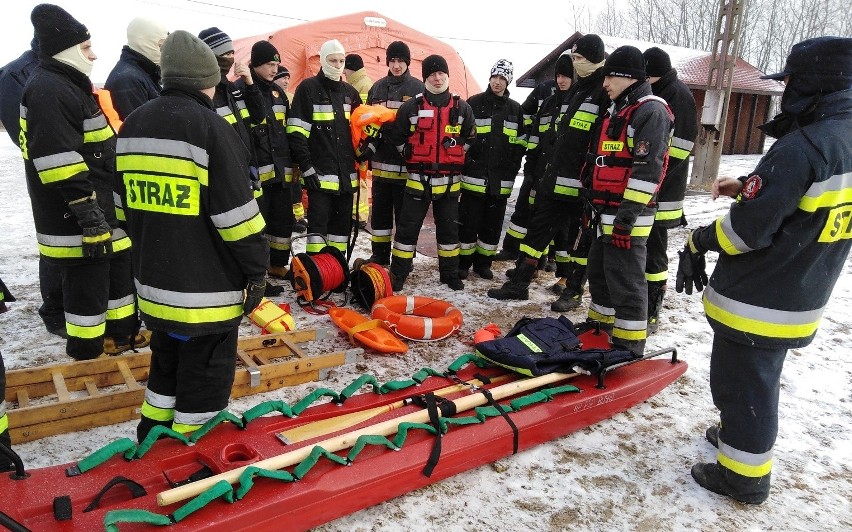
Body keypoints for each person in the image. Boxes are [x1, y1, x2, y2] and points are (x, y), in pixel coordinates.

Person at [678, 36, 852, 505]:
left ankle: (743, 477)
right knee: (757, 377)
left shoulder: (806, 145)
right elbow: (803, 204)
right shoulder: (843, 138)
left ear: (816, 83)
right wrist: (750, 186)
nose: (786, 91)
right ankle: (740, 437)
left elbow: (747, 233)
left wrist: (699, 240)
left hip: (760, 295)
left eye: (792, 81)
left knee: (743, 383)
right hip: (803, 287)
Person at [116, 30, 269, 441]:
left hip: (154, 288)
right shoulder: (211, 129)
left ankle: (151, 434)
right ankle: (191, 459)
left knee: (165, 367)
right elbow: (239, 221)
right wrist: (257, 272)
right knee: (202, 383)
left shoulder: (133, 124)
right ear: (209, 78)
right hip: (206, 296)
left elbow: (120, 208)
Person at [22, 3, 146, 360]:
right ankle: (87, 351)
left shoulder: (69, 85)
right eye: (86, 48)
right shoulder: (49, 89)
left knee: (118, 276)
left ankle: (121, 335)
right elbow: (60, 164)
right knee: (87, 290)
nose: (94, 55)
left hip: (104, 208)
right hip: (77, 219)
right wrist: (90, 219)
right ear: (65, 50)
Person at [489, 35, 610, 308]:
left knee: (578, 244)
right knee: (536, 235)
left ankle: (572, 292)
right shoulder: (579, 91)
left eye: (579, 60)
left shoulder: (603, 91)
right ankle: (519, 284)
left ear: (593, 60)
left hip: (581, 187)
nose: (575, 65)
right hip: (554, 181)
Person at [583, 45, 673, 356]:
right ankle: (599, 331)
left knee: (626, 281)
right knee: (600, 275)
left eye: (609, 76)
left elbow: (647, 171)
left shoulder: (651, 111)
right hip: (604, 213)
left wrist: (625, 219)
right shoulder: (618, 109)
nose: (604, 83)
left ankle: (628, 346)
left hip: (627, 219)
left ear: (627, 77)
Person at [384, 54, 475, 291]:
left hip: (449, 183)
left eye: (441, 73)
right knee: (407, 229)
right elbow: (396, 137)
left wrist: (456, 154)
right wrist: (409, 153)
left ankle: (450, 274)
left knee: (449, 231)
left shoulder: (462, 108)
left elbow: (470, 138)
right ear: (425, 77)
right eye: (432, 74)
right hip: (418, 181)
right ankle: (399, 273)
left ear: (447, 75)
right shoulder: (411, 107)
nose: (437, 78)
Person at [0, 36, 66, 337]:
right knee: (55, 242)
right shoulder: (15, 75)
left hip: (73, 168)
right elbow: (24, 134)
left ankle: (71, 304)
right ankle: (54, 310)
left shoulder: (60, 69)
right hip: (45, 174)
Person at [287, 39, 362, 255]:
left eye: (341, 60)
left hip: (346, 179)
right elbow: (296, 132)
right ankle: (317, 273)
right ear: (322, 60)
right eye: (332, 60)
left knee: (341, 232)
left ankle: (336, 273)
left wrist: (367, 149)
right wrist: (307, 167)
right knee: (318, 232)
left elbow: (359, 132)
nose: (337, 65)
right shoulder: (307, 89)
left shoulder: (350, 93)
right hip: (319, 177)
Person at [642, 47, 697, 333]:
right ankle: (640, 301)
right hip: (650, 186)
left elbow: (680, 148)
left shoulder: (678, 95)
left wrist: (655, 178)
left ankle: (653, 306)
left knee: (654, 249)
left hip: (664, 191)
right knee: (643, 247)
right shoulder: (660, 91)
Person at [458, 59, 526, 280]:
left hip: (501, 182)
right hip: (473, 179)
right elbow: (461, 137)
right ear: (489, 78)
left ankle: (483, 263)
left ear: (508, 81)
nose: (497, 82)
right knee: (468, 224)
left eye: (502, 78)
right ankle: (463, 264)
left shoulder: (516, 110)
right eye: (494, 77)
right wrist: (468, 164)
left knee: (492, 226)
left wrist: (511, 169)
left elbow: (521, 145)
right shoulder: (473, 104)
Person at [236, 41, 295, 277]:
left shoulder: (278, 92)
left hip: (280, 171)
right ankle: (257, 271)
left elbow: (287, 129)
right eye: (270, 64)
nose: (274, 69)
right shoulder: (239, 90)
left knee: (282, 222)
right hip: (257, 173)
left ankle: (278, 264)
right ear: (257, 63)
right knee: (257, 224)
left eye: (277, 64)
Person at [364, 40, 423, 266]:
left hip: (406, 167)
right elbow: (369, 123)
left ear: (407, 63)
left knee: (405, 217)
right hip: (380, 166)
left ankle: (403, 259)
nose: (396, 65)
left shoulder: (418, 89)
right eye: (393, 60)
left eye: (400, 61)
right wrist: (367, 148)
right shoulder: (376, 88)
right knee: (380, 216)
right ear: (388, 62)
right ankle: (379, 255)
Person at [104, 17, 169, 120]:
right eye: (160, 45)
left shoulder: (146, 74)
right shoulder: (127, 80)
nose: (164, 51)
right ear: (142, 42)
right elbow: (139, 128)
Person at [272, 65, 306, 233]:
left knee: (295, 184)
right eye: (282, 77)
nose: (286, 81)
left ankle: (298, 217)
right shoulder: (270, 97)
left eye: (287, 78)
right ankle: (290, 217)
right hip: (278, 151)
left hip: (292, 149)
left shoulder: (291, 97)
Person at [343, 53, 374, 231]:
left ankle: (360, 217)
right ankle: (356, 214)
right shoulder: (358, 82)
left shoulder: (362, 85)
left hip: (359, 141)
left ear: (350, 68)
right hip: (355, 139)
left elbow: (363, 116)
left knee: (361, 179)